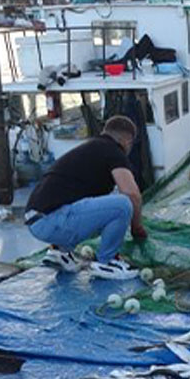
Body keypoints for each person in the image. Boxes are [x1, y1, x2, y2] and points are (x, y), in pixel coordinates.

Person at [24, 115, 146, 280]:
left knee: (101, 211)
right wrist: (136, 227)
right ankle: (107, 262)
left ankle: (60, 252)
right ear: (127, 141)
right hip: (54, 220)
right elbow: (131, 193)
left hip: (35, 222)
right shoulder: (114, 152)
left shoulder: (91, 148)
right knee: (122, 205)